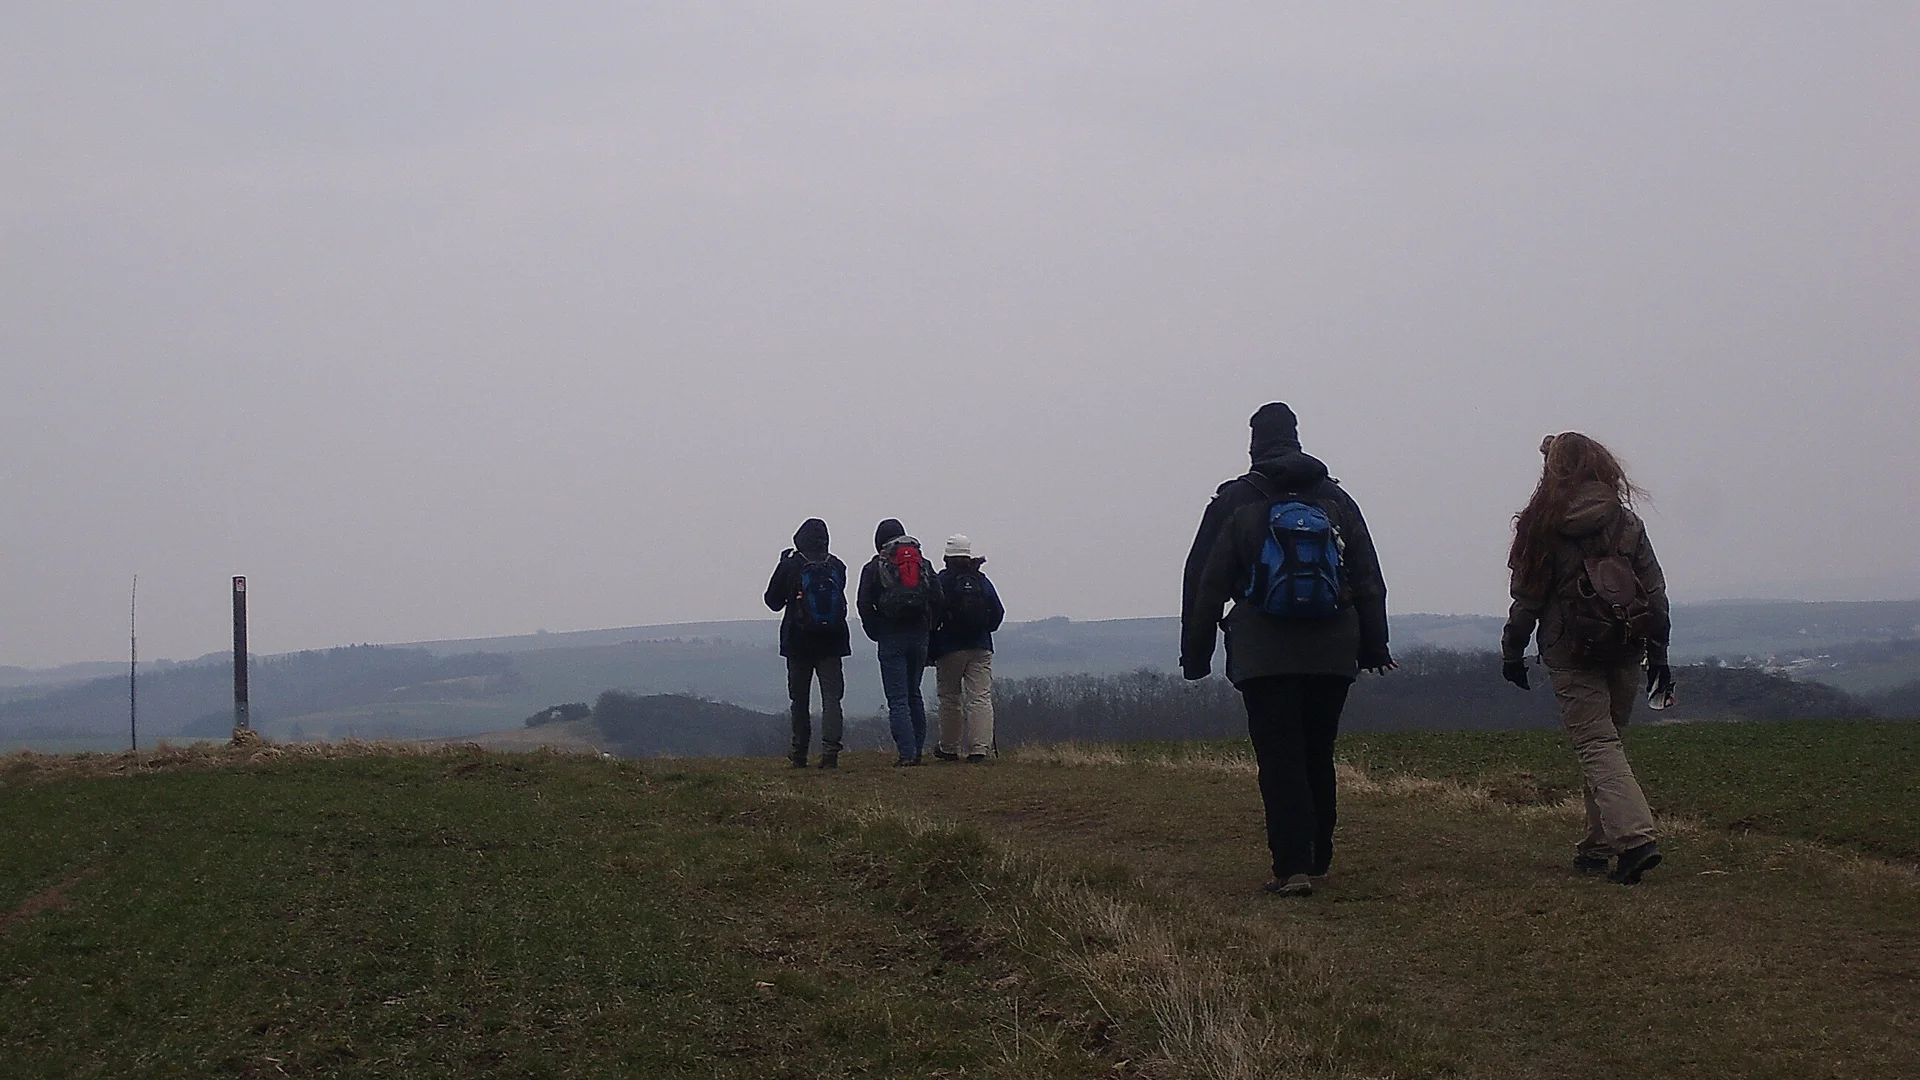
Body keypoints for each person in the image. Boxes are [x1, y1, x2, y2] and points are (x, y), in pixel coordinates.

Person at [1181, 402, 1392, 897]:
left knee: (1280, 757)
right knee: (1318, 750)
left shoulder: (1234, 501)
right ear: (1297, 438)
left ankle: (1292, 866)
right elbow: (1367, 578)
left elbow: (1204, 583)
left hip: (1263, 652)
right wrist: (1373, 646)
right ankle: (1318, 857)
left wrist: (1196, 654)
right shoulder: (1336, 499)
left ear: (1254, 443)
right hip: (1332, 649)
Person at [1501, 432, 1671, 885]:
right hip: (1626, 646)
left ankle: (1634, 841)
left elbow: (1528, 599)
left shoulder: (1541, 524)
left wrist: (1513, 650)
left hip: (1570, 651)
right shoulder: (1625, 522)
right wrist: (1660, 654)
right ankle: (1596, 846)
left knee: (1597, 745)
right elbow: (1654, 592)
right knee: (1607, 743)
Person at [764, 518, 852, 768]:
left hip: (798, 641)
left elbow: (772, 601)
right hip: (833, 641)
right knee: (832, 698)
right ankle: (830, 752)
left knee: (799, 699)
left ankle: (800, 750)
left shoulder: (791, 566)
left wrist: (782, 567)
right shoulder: (837, 565)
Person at [857, 519, 944, 766]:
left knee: (897, 698)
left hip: (890, 636)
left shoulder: (874, 567)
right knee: (914, 693)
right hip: (919, 636)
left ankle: (907, 754)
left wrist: (875, 630)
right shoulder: (923, 564)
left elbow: (863, 603)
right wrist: (930, 626)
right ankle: (917, 749)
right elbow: (938, 597)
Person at [929, 534, 1005, 763]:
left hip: (949, 647)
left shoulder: (941, 581)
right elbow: (998, 612)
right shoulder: (981, 580)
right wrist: (984, 629)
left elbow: (932, 614)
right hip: (981, 646)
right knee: (980, 697)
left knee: (950, 698)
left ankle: (949, 747)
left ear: (947, 557)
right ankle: (979, 749)